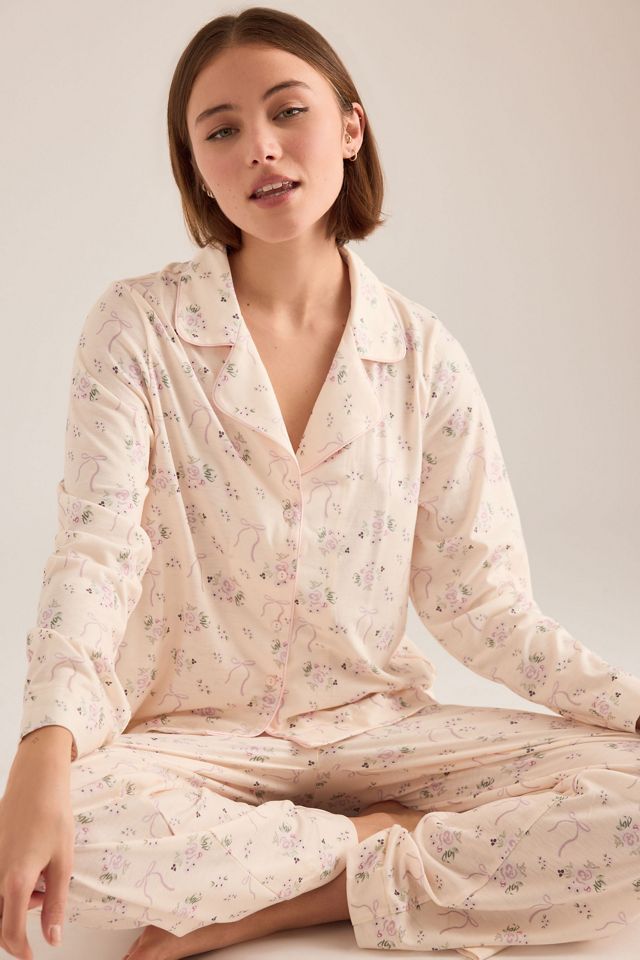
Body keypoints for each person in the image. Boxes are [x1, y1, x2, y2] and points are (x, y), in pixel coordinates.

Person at [1, 7, 639, 960]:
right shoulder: (136, 328)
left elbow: (485, 606)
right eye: (221, 130)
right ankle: (382, 850)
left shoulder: (421, 353)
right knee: (70, 828)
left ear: (349, 127)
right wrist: (42, 747)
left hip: (381, 732)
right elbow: (97, 553)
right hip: (194, 742)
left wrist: (631, 703)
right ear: (198, 169)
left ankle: (287, 896)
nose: (259, 146)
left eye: (287, 111)